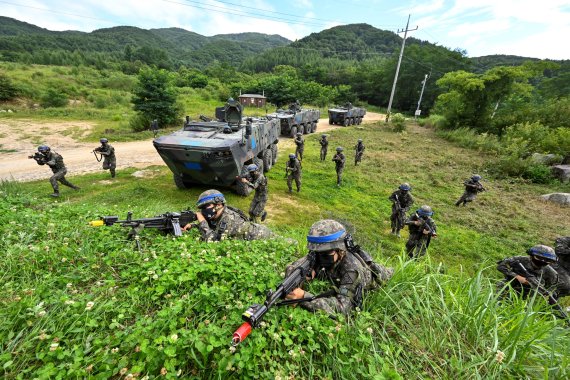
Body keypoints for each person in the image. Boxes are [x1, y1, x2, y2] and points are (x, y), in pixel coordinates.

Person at [284, 219, 393, 316]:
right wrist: (300, 276)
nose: (319, 257)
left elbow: (343, 307)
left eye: (325, 253)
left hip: (378, 275)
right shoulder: (320, 255)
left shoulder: (351, 269)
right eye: (316, 252)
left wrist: (304, 297)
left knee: (387, 272)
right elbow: (295, 266)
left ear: (340, 249)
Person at [182, 189, 274, 242]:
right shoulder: (217, 214)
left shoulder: (228, 219)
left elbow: (213, 241)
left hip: (263, 236)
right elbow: (213, 226)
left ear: (218, 205)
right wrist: (192, 226)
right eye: (202, 208)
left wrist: (202, 221)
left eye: (206, 206)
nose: (203, 210)